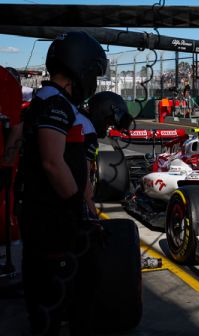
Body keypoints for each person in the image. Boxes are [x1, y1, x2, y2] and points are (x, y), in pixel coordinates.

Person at [20, 31, 107, 335]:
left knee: (54, 297)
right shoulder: (56, 104)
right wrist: (78, 211)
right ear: (80, 67)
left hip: (48, 216)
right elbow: (53, 162)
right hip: (53, 219)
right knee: (57, 299)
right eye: (94, 72)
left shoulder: (47, 99)